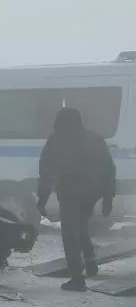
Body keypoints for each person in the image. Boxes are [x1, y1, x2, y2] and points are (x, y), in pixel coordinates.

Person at [37, 107, 117, 291]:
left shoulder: (56, 140)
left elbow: (46, 172)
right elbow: (109, 169)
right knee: (81, 227)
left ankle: (77, 278)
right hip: (91, 194)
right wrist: (107, 198)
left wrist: (42, 198)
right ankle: (90, 263)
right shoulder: (95, 139)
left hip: (71, 194)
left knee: (70, 234)